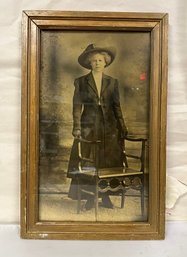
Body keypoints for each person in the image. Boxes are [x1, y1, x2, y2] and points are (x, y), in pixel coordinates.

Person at [67, 43, 128, 210]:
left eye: (100, 60)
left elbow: (117, 106)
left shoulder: (112, 82)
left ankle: (106, 197)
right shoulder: (81, 82)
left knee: (109, 162)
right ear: (89, 63)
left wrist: (122, 127)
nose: (97, 63)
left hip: (109, 129)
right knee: (89, 162)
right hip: (89, 127)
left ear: (105, 62)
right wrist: (77, 127)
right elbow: (77, 106)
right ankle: (88, 198)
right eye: (94, 61)